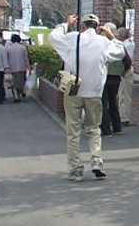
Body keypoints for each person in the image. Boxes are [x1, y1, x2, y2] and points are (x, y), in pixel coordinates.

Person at [48, 13, 125, 182]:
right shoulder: (103, 42)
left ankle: (75, 169)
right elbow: (120, 52)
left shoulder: (73, 38)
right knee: (94, 128)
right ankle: (96, 160)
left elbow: (53, 37)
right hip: (94, 93)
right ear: (97, 27)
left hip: (73, 91)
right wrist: (111, 36)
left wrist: (66, 24)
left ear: (82, 26)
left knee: (73, 131)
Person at [100, 23, 130, 137]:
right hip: (116, 79)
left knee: (103, 103)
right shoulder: (119, 45)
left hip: (103, 77)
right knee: (113, 102)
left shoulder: (103, 44)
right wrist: (122, 71)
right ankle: (117, 128)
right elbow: (128, 61)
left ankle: (106, 130)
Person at [117, 27, 135, 126]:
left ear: (120, 37)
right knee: (125, 94)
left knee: (123, 94)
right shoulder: (131, 43)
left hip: (125, 71)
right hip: (128, 70)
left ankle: (123, 118)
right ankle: (123, 116)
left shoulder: (123, 45)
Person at [6, 34, 30, 103]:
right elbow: (26, 58)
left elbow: (6, 58)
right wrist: (28, 66)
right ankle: (18, 95)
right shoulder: (23, 47)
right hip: (21, 67)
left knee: (12, 82)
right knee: (20, 82)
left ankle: (15, 95)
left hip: (11, 67)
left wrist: (6, 67)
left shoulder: (8, 48)